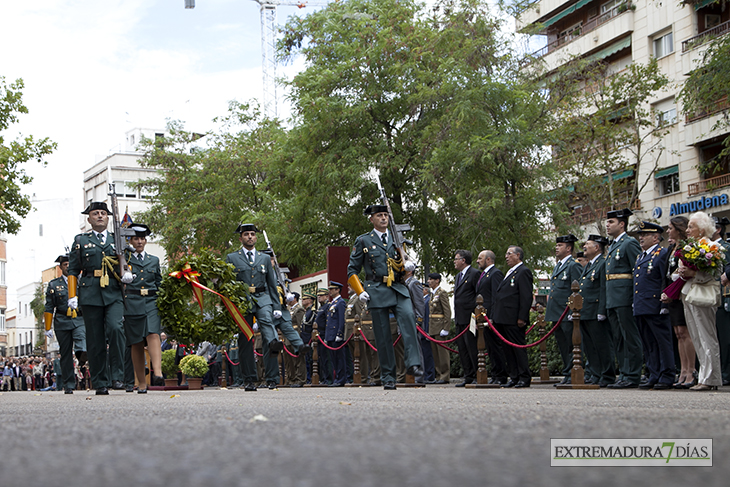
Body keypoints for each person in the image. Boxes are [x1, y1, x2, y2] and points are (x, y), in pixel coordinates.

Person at [347, 204, 423, 390]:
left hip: (398, 287)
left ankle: (413, 364)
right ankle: (388, 376)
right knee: (382, 337)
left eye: (385, 215)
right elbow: (352, 270)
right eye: (379, 215)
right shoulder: (363, 240)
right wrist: (360, 291)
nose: (383, 218)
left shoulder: (397, 238)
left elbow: (403, 261)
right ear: (371, 219)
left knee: (408, 317)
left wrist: (409, 265)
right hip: (376, 289)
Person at [67, 201, 132, 395]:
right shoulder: (80, 240)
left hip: (113, 291)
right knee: (94, 339)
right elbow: (72, 269)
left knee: (116, 329)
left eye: (103, 213)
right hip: (90, 292)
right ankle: (100, 381)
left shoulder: (117, 239)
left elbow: (126, 261)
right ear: (89, 218)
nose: (100, 216)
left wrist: (127, 272)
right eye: (96, 213)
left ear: (108, 217)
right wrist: (72, 295)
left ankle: (117, 376)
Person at [226, 224, 286, 391]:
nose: (250, 237)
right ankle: (250, 380)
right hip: (243, 300)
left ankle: (272, 378)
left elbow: (272, 284)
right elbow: (227, 283)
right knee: (245, 340)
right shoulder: (232, 258)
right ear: (241, 238)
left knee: (269, 336)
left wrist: (276, 306)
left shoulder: (264, 258)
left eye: (252, 234)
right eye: (246, 234)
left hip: (263, 299)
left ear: (256, 238)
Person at [676, 211, 723, 390]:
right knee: (696, 337)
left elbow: (715, 274)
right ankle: (704, 377)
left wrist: (693, 273)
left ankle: (711, 379)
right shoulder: (689, 247)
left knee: (707, 337)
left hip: (703, 295)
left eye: (691, 226)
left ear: (702, 229)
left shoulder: (712, 247)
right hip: (688, 294)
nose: (687, 230)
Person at [123, 224, 164, 393]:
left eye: (142, 238)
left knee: (153, 332)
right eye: (135, 239)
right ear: (130, 241)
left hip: (151, 300)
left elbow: (158, 281)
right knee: (136, 342)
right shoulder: (124, 258)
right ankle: (141, 382)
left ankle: (158, 374)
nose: (139, 242)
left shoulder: (153, 260)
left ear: (146, 240)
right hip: (132, 301)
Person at [605, 208, 643, 389]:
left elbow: (638, 271)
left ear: (622, 224)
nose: (607, 225)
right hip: (613, 297)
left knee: (630, 337)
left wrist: (635, 298)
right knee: (618, 338)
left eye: (611, 222)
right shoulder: (612, 246)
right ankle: (624, 373)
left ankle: (633, 374)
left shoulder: (629, 243)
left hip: (625, 297)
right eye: (607, 222)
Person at [633, 222, 673, 390]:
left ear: (656, 237)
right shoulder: (640, 256)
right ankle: (654, 373)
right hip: (642, 304)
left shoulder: (661, 254)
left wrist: (664, 303)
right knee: (648, 342)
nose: (641, 238)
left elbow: (664, 278)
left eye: (645, 235)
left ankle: (667, 374)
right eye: (640, 235)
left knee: (662, 341)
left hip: (655, 304)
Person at [44, 254, 87, 394]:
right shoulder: (54, 285)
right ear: (60, 267)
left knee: (81, 340)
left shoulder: (82, 281)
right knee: (66, 353)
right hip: (62, 320)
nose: (68, 266)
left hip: (79, 318)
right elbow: (49, 306)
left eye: (70, 264)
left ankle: (82, 357)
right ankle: (69, 384)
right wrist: (47, 327)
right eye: (65, 264)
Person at [491, 246, 534, 388]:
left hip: (514, 318)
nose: (506, 257)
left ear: (518, 255)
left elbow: (526, 296)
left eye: (509, 254)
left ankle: (524, 376)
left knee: (518, 348)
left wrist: (522, 317)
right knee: (507, 349)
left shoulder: (523, 271)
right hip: (503, 318)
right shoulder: (510, 272)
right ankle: (514, 376)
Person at [661, 216, 696, 388]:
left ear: (678, 228)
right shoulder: (671, 248)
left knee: (685, 332)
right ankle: (682, 371)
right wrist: (665, 292)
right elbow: (666, 273)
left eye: (670, 228)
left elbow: (685, 273)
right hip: (672, 295)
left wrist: (672, 291)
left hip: (683, 293)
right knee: (678, 333)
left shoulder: (687, 247)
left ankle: (691, 371)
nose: (668, 231)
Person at [578, 235, 614, 387]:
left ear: (597, 247)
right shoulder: (589, 265)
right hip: (585, 311)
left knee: (602, 345)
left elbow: (603, 289)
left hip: (595, 311)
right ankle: (595, 373)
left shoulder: (602, 263)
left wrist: (602, 310)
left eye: (587, 244)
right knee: (590, 346)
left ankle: (607, 375)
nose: (584, 247)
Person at [547, 234, 583, 385]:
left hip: (566, 312)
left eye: (560, 245)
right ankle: (568, 373)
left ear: (568, 248)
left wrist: (572, 311)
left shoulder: (573, 265)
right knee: (562, 345)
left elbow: (577, 290)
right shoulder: (559, 265)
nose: (557, 248)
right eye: (557, 245)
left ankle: (574, 373)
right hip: (557, 312)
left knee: (571, 345)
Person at [476, 250, 507, 384]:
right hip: (483, 317)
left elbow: (496, 296)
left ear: (488, 260)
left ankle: (500, 375)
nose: (477, 261)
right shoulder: (484, 275)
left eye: (480, 258)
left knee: (496, 347)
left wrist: (493, 316)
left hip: (491, 317)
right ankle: (495, 375)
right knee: (489, 347)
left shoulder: (495, 273)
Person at [452, 249, 480, 387]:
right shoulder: (458, 276)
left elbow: (478, 295)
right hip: (459, 317)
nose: (454, 262)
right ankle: (468, 375)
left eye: (456, 259)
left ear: (463, 260)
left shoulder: (474, 274)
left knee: (472, 347)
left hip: (470, 317)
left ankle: (476, 374)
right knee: (462, 348)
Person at [404, 268, 432, 383]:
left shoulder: (414, 283)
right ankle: (410, 376)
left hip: (413, 321)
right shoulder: (405, 283)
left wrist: (418, 320)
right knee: (409, 349)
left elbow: (419, 304)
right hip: (406, 321)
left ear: (409, 271)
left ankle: (418, 377)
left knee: (416, 349)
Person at [713, 216, 730, 386]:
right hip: (710, 298)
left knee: (725, 339)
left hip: (723, 296)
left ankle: (726, 372)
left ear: (718, 229)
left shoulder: (725, 248)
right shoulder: (703, 248)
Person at [427, 273, 452, 384]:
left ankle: (445, 375)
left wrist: (446, 327)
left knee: (442, 353)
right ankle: (438, 375)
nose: (428, 281)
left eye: (431, 279)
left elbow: (447, 311)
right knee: (435, 353)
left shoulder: (442, 293)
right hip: (433, 326)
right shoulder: (433, 294)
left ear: (437, 281)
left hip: (440, 325)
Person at [324, 281, 347, 387]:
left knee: (339, 358)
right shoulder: (332, 303)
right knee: (334, 358)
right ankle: (336, 378)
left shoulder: (340, 302)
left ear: (338, 290)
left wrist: (340, 333)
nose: (330, 291)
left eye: (332, 289)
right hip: (330, 334)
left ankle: (341, 378)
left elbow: (341, 320)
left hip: (336, 334)